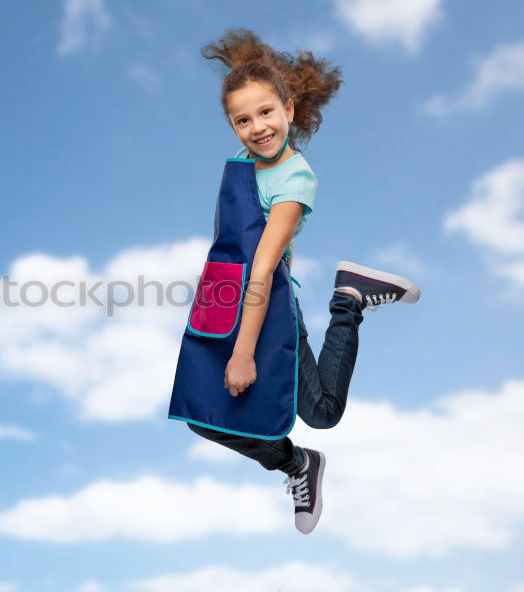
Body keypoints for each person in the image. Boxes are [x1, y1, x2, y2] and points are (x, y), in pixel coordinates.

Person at [179, 29, 422, 535]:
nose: (256, 127)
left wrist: (244, 352)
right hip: (221, 299)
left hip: (263, 309)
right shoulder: (243, 163)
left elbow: (262, 270)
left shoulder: (296, 179)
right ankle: (297, 463)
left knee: (323, 413)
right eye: (241, 119)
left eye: (266, 112)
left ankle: (348, 299)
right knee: (202, 414)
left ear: (289, 109)